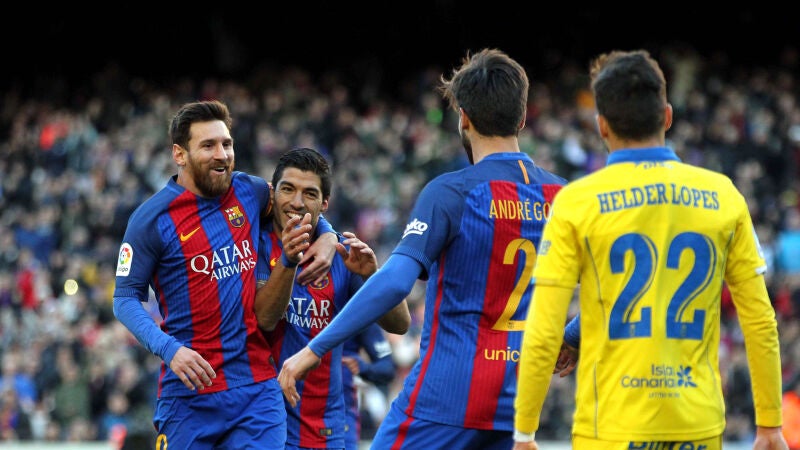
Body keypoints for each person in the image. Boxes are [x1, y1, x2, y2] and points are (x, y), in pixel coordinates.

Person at [277, 48, 568, 450]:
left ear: (463, 117)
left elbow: (397, 282)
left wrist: (313, 349)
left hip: (444, 401)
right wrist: (570, 337)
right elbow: (606, 291)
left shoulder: (452, 192)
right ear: (521, 119)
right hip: (520, 404)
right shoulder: (564, 195)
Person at [513, 49, 787, 450]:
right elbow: (760, 321)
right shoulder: (724, 196)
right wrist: (770, 425)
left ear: (601, 126)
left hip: (610, 428)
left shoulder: (577, 203)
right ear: (668, 117)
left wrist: (524, 433)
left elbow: (543, 329)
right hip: (697, 425)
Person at [112, 100, 340, 449]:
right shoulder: (150, 220)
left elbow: (296, 203)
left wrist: (327, 235)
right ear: (180, 154)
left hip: (256, 391)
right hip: (189, 393)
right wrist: (170, 350)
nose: (222, 155)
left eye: (226, 144)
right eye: (208, 146)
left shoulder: (249, 190)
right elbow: (124, 298)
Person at [257, 147, 410, 450]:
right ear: (272, 193)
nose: (296, 202)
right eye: (288, 189)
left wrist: (372, 275)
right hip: (258, 423)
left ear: (324, 203)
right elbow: (264, 320)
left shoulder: (343, 255)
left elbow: (401, 324)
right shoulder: (252, 241)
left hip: (321, 429)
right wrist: (292, 257)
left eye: (310, 194)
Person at [341, 323, 398, 450]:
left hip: (342, 415)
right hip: (297, 409)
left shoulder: (355, 314)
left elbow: (387, 367)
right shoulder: (298, 314)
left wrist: (363, 368)